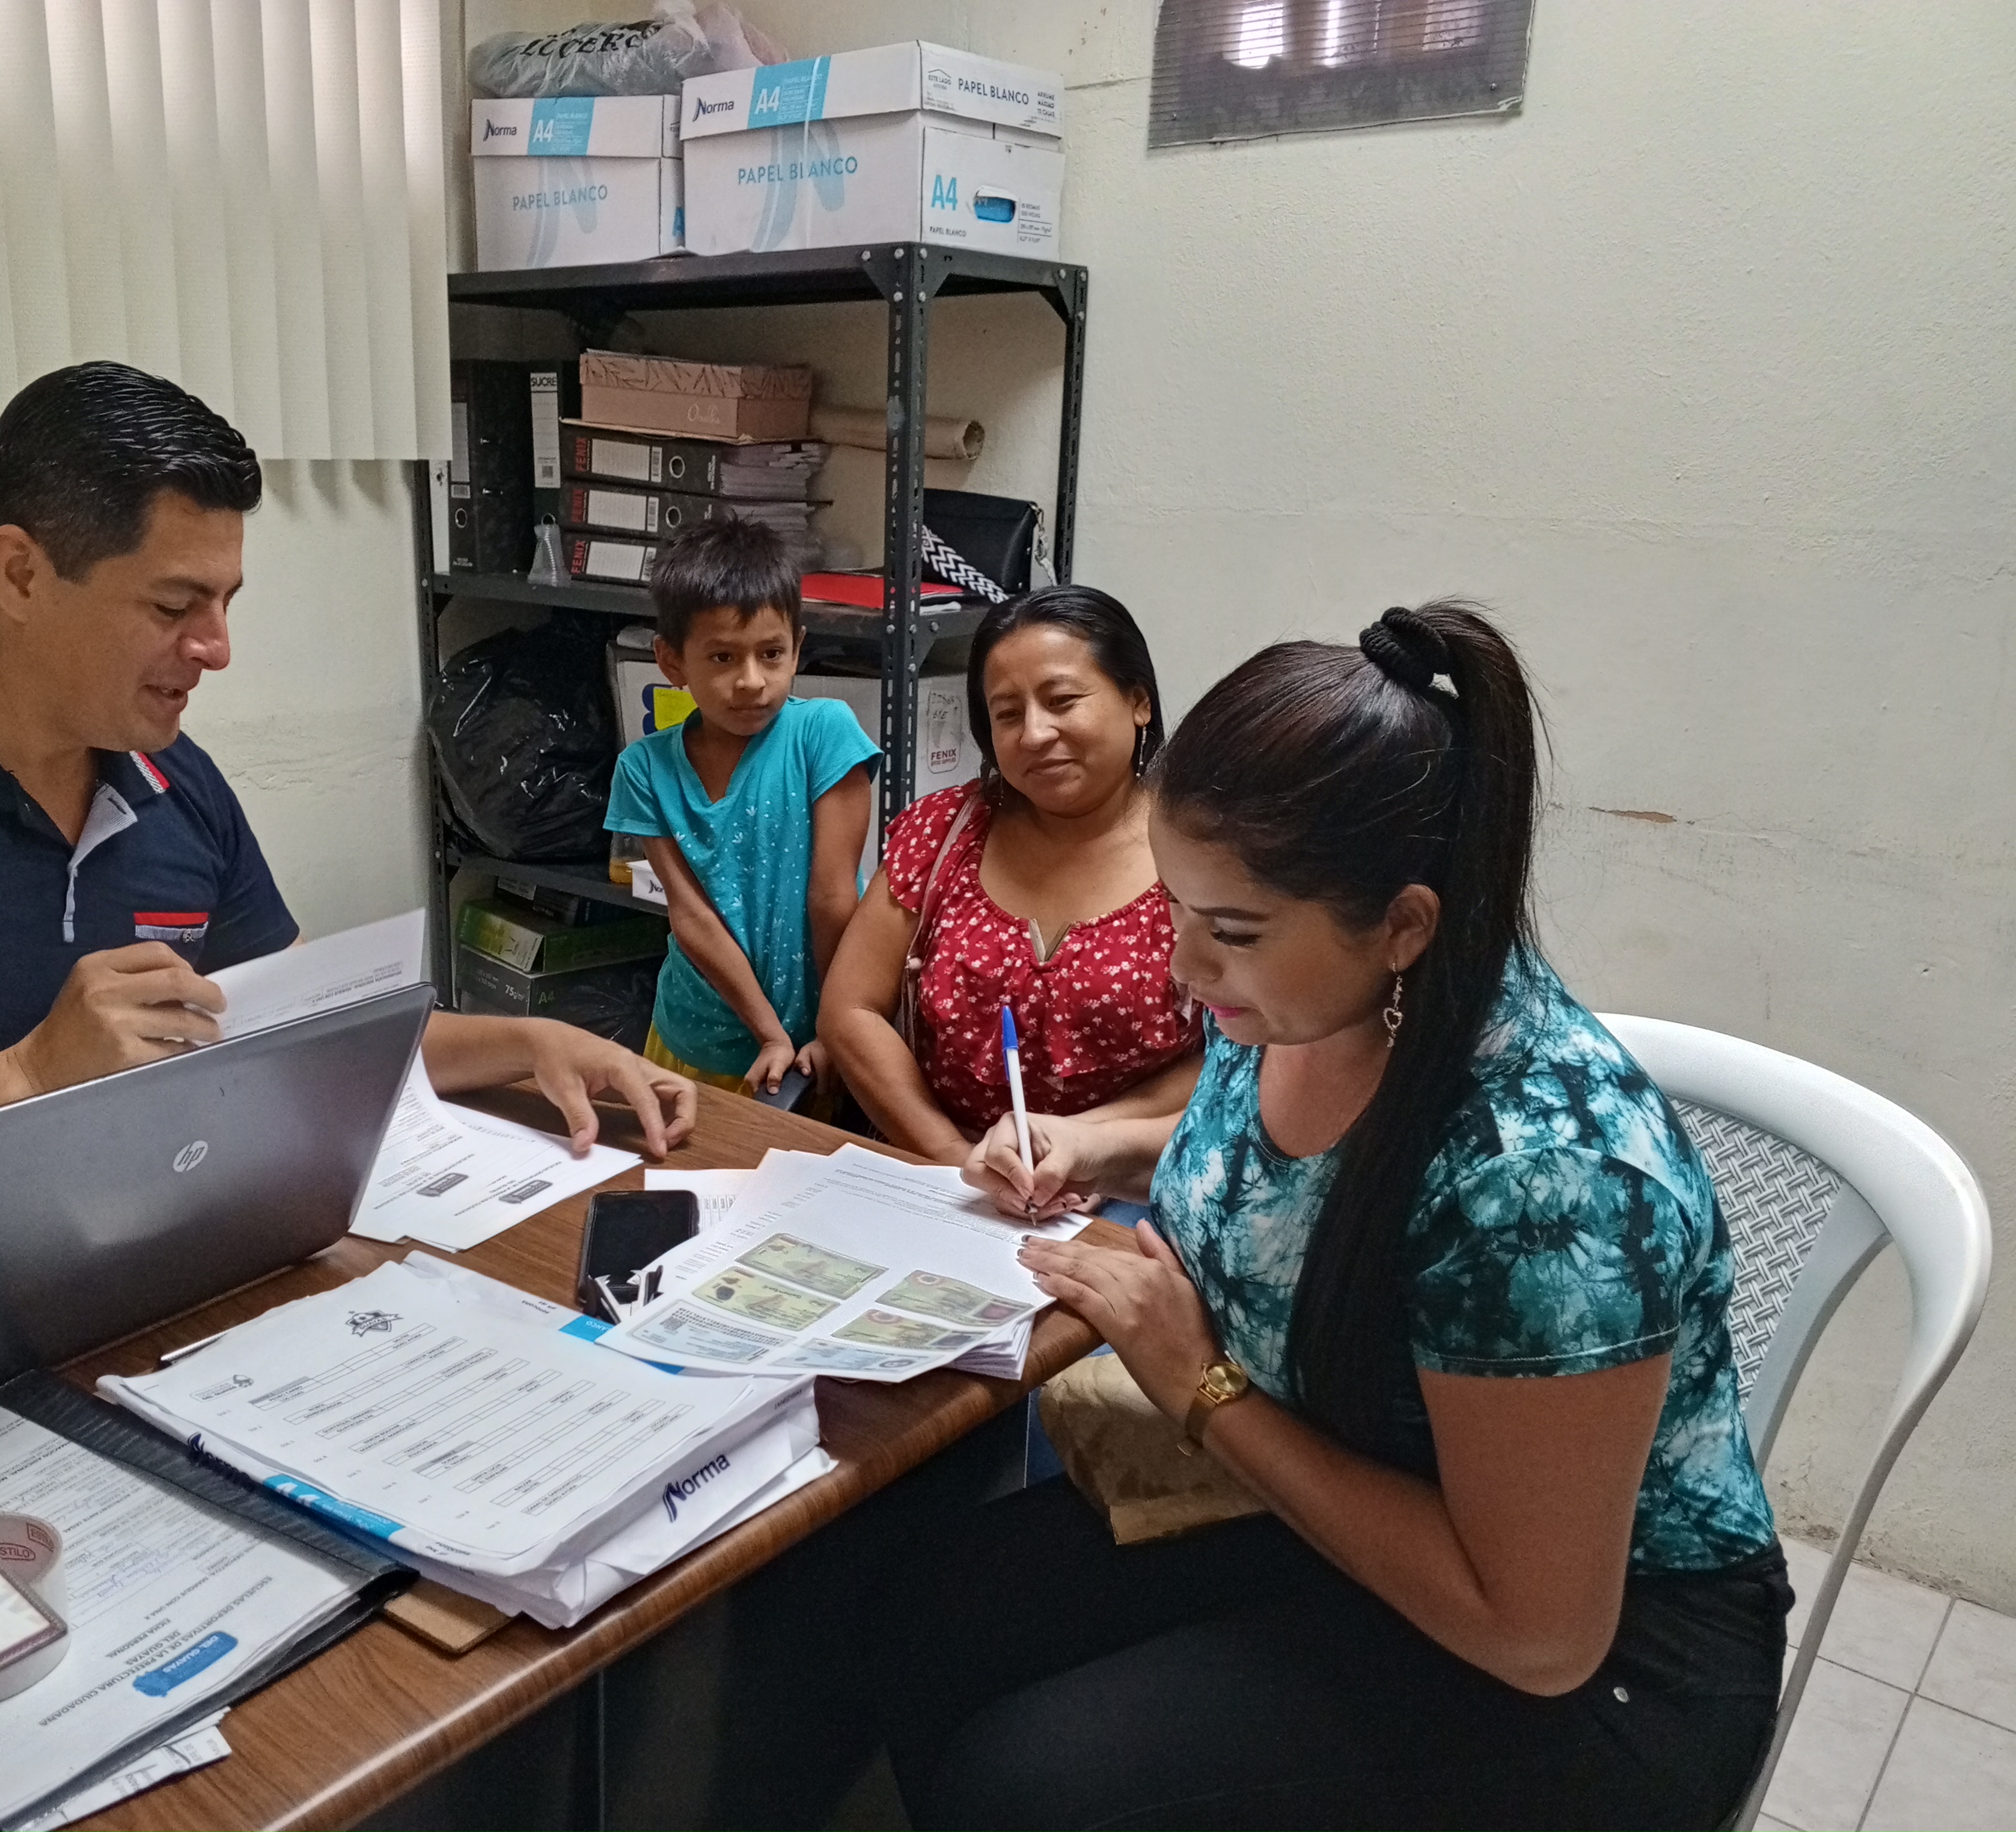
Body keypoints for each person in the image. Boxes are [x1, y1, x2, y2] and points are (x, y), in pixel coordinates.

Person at [879, 603, 1786, 1831]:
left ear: (1402, 925)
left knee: (1026, 1784)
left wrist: (1200, 1385)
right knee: (930, 1614)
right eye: (1178, 909)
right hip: (1343, 1478)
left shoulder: (1543, 1185)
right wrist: (1096, 1142)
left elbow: (1536, 1635)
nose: (1185, 968)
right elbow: (1280, 1166)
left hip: (1602, 1663)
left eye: (1230, 932)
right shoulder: (1302, 1000)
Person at [0, 362, 694, 1291]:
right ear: (20, 574)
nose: (215, 649)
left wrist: (524, 1043)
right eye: (172, 605)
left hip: (109, 1275)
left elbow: (289, 1024)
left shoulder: (171, 782)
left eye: (225, 604)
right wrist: (21, 1077)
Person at [816, 585, 1203, 1166]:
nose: (1034, 734)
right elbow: (851, 1010)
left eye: (1062, 700)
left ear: (1138, 701)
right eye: (1007, 714)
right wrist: (955, 1158)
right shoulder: (943, 833)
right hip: (945, 1174)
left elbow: (1235, 1051)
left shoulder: (1204, 856)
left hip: (1128, 1178)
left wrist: (1079, 1147)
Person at [605, 519, 878, 1103]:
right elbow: (692, 917)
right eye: (723, 657)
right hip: (694, 1033)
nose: (752, 681)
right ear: (672, 662)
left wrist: (833, 1027)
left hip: (821, 1034)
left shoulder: (824, 733)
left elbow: (832, 897)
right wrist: (767, 1033)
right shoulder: (644, 768)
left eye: (771, 654)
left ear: (797, 648)